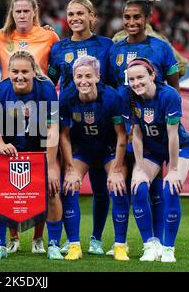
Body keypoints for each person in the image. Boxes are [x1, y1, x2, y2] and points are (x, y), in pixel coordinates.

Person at [106, 0, 181, 257]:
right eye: (127, 17)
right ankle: (120, 243)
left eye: (137, 17)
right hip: (123, 126)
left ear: (147, 19)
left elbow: (173, 88)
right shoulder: (114, 51)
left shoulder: (161, 48)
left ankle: (158, 242)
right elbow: (107, 86)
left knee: (155, 184)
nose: (131, 22)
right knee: (123, 181)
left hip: (153, 130)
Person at [0, 0, 60, 254]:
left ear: (34, 12)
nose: (21, 15)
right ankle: (9, 239)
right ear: (12, 13)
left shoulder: (50, 36)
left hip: (41, 104)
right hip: (8, 107)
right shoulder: (1, 36)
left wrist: (49, 86)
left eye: (26, 11)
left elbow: (56, 69)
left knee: (45, 182)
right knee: (6, 182)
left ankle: (42, 239)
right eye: (17, 11)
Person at [48, 0, 114, 256]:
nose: (75, 18)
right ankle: (70, 238)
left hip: (101, 124)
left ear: (91, 16)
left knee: (100, 187)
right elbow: (48, 81)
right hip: (70, 124)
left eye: (80, 13)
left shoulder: (106, 46)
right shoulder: (59, 49)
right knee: (69, 183)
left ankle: (96, 239)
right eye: (71, 13)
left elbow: (115, 85)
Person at [59, 55, 129, 261]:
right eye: (79, 76)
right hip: (83, 149)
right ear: (73, 78)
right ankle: (74, 245)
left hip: (108, 149)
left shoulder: (112, 97)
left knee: (117, 186)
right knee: (69, 186)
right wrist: (70, 168)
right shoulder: (66, 97)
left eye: (89, 75)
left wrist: (116, 169)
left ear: (98, 77)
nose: (84, 81)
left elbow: (121, 135)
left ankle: (119, 245)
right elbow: (63, 135)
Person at [125, 57, 189, 262]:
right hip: (151, 151)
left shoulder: (169, 95)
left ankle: (168, 248)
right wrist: (138, 167)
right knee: (138, 187)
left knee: (170, 187)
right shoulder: (129, 97)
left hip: (179, 148)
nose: (136, 83)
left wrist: (172, 169)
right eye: (132, 79)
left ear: (152, 75)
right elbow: (135, 134)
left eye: (140, 77)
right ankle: (150, 245)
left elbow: (173, 135)